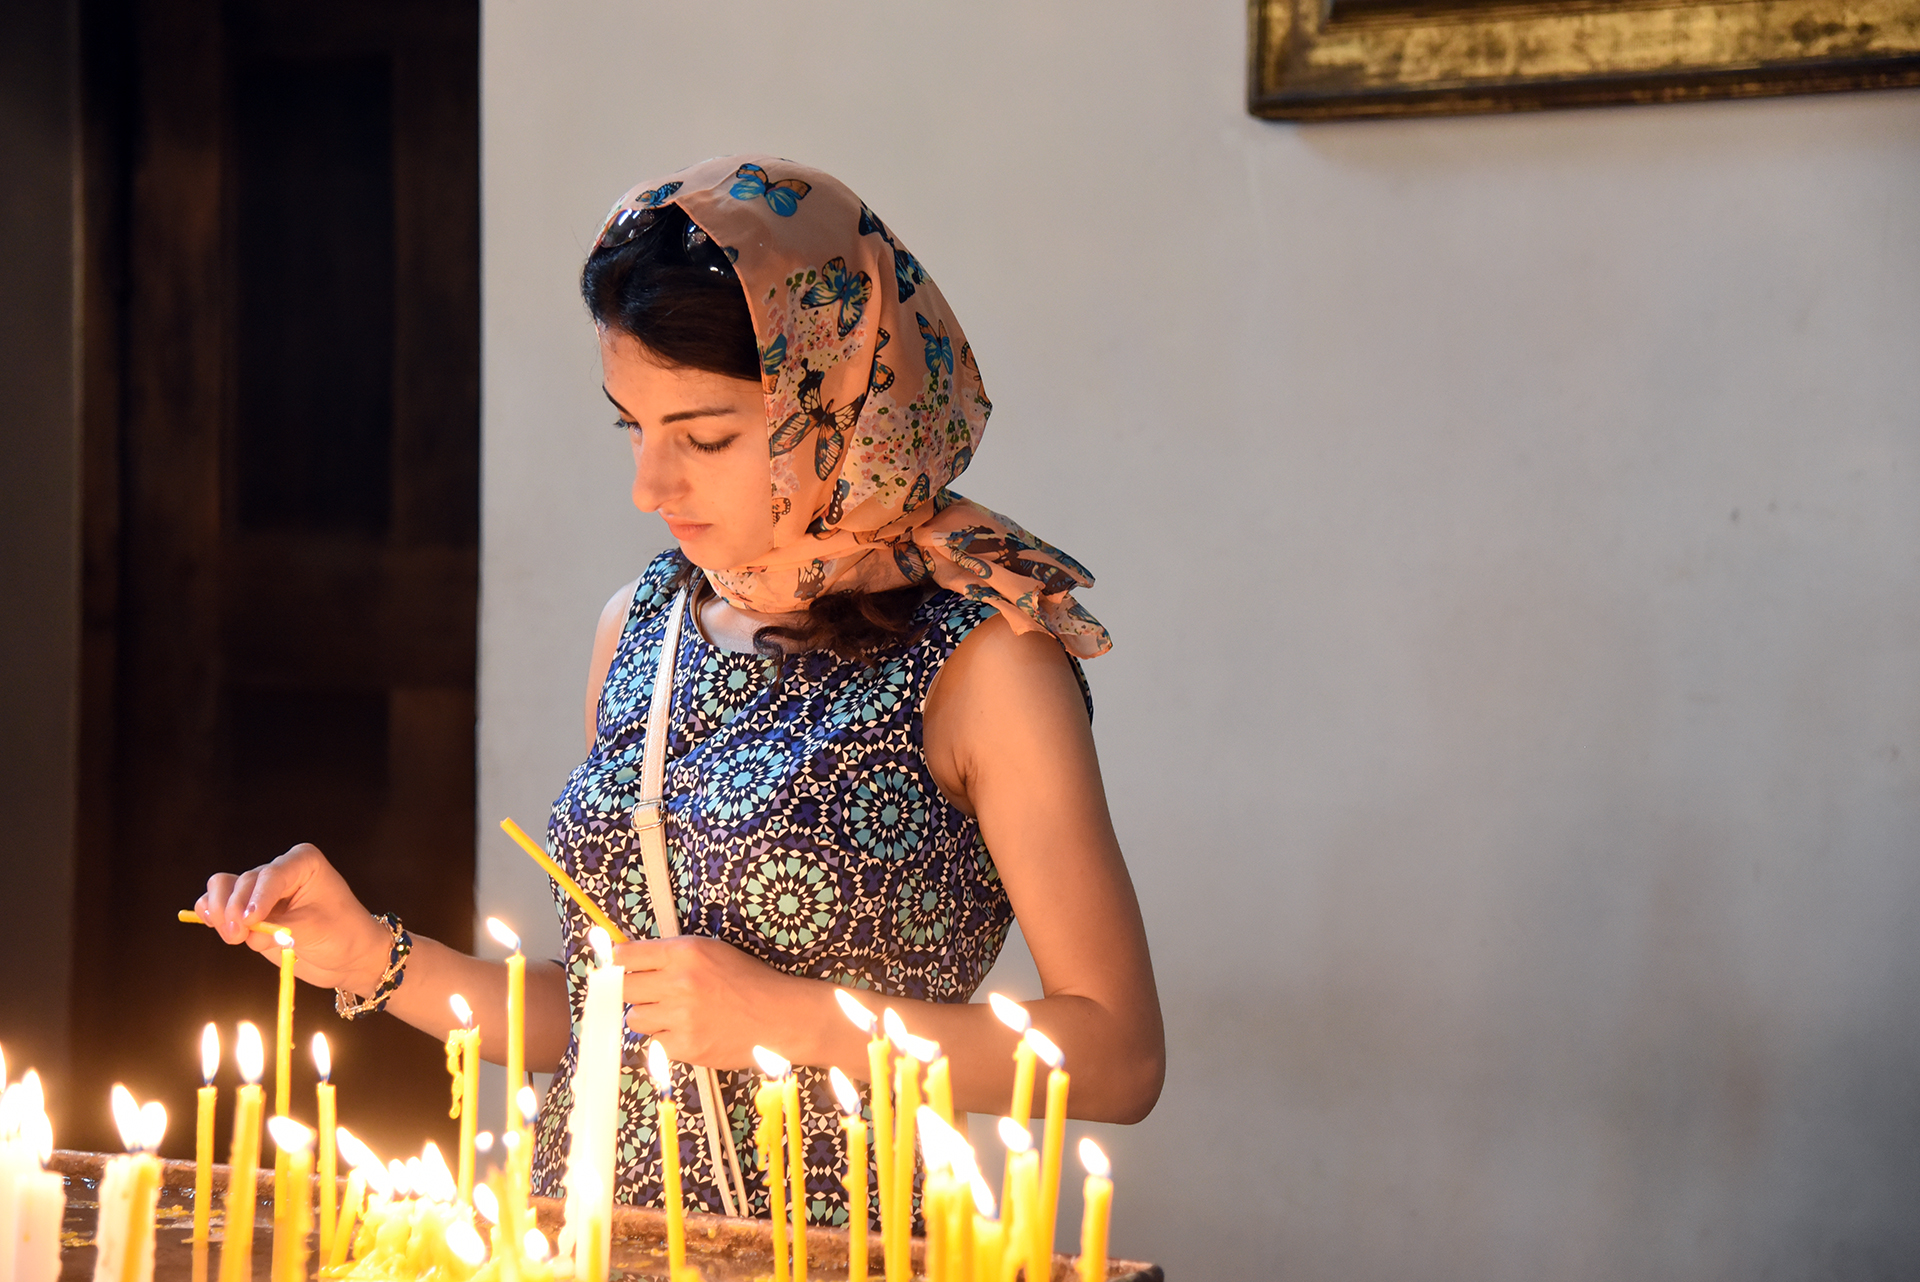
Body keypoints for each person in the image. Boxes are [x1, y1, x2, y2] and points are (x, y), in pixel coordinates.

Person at [195, 155, 1163, 1228]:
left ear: (836, 407)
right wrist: (371, 954)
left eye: (702, 437)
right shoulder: (643, 626)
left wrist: (791, 1018)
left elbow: (1119, 1054)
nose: (649, 486)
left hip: (840, 1250)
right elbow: (603, 1012)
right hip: (585, 1235)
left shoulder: (986, 662)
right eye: (632, 427)